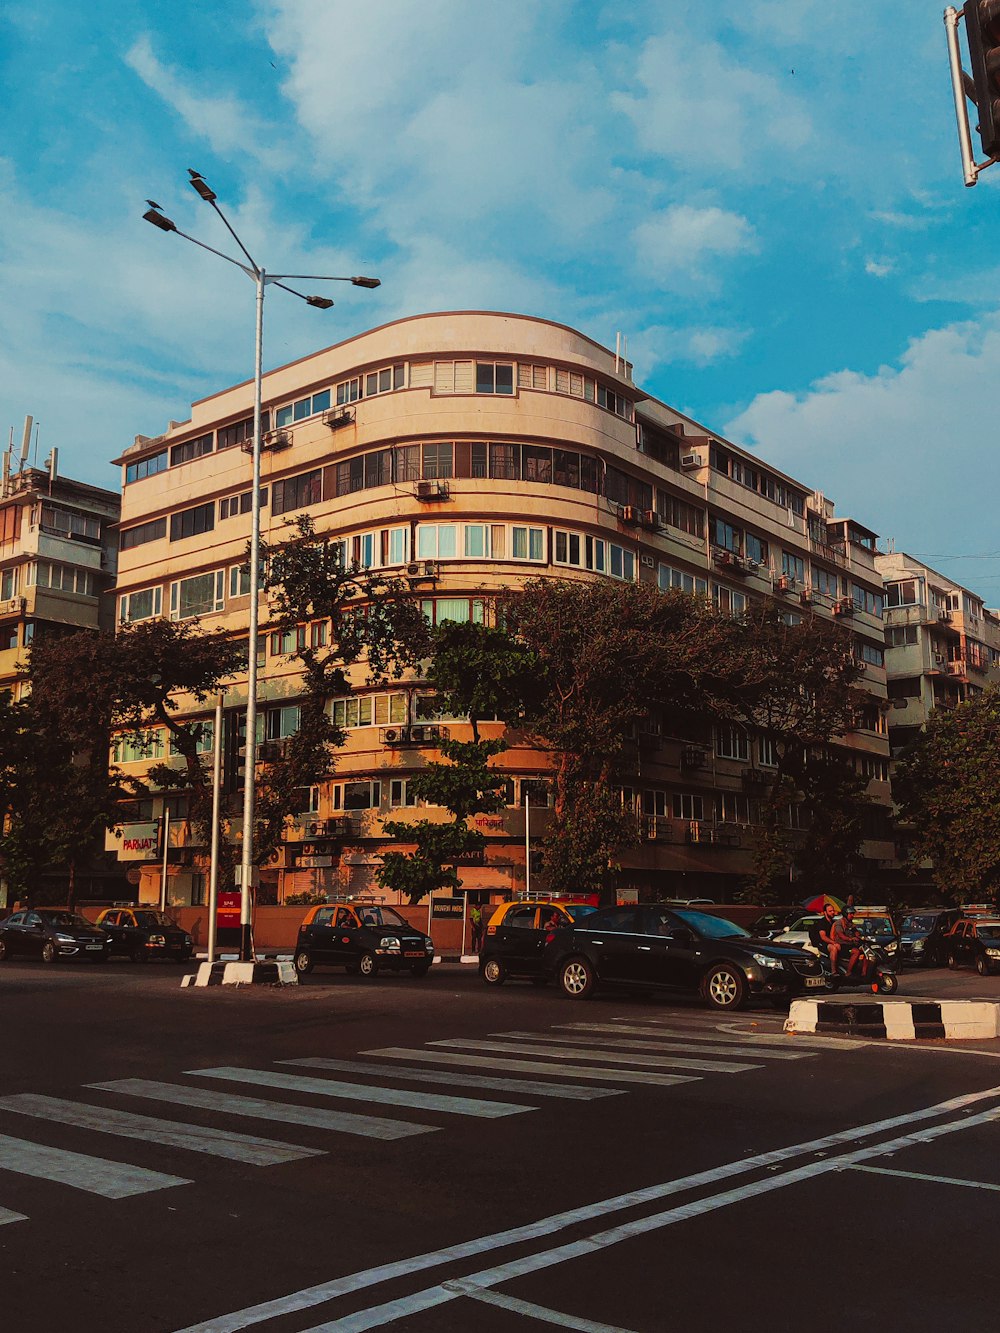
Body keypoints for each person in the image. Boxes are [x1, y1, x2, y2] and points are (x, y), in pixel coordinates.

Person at [831, 906, 864, 977]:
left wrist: (862, 937)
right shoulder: (839, 923)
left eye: (853, 913)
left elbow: (857, 933)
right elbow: (841, 935)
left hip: (851, 944)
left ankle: (863, 974)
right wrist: (851, 939)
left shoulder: (851, 923)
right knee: (856, 951)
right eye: (850, 914)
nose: (852, 915)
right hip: (843, 945)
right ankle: (848, 972)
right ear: (845, 914)